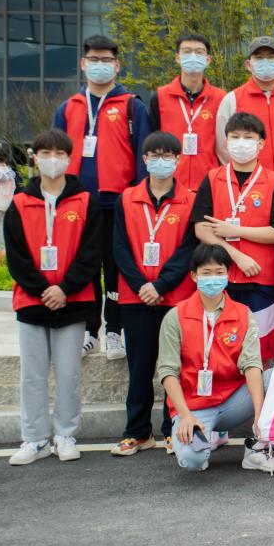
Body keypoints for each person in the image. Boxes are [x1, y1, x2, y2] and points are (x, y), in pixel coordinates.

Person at [4, 130, 101, 465]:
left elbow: (91, 253)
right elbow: (16, 256)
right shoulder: (20, 202)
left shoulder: (85, 201)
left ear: (69, 158)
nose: (53, 159)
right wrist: (42, 290)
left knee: (69, 373)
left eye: (60, 154)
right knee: (32, 375)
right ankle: (34, 439)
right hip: (32, 302)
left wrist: (64, 288)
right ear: (35, 157)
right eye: (46, 153)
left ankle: (65, 434)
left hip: (73, 301)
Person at [53, 34, 152, 359]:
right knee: (84, 266)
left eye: (106, 60)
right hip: (78, 202)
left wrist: (137, 199)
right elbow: (55, 152)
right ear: (83, 64)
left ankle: (114, 330)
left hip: (118, 202)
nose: (100, 65)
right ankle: (89, 329)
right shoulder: (69, 108)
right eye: (94, 60)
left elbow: (143, 157)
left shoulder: (131, 105)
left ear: (117, 65)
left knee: (116, 267)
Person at [155, 243, 274, 474]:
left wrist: (260, 415)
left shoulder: (242, 314)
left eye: (219, 272)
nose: (213, 278)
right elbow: (168, 371)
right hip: (194, 408)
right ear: (194, 276)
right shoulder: (175, 316)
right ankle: (201, 439)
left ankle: (256, 450)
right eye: (206, 273)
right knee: (193, 461)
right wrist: (184, 416)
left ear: (228, 274)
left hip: (233, 401)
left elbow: (251, 365)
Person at [111, 131, 199, 457]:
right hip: (135, 298)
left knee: (174, 367)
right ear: (145, 159)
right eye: (155, 155)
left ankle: (171, 429)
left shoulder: (190, 200)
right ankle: (137, 432)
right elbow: (120, 248)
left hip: (176, 298)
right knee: (140, 367)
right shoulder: (127, 199)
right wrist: (142, 286)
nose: (161, 161)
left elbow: (189, 249)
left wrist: (161, 285)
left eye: (168, 156)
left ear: (178, 160)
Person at [192, 112, 274, 340]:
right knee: (221, 344)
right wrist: (236, 255)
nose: (241, 142)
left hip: (260, 278)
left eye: (248, 137)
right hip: (219, 277)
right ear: (226, 141)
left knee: (260, 345)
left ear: (261, 143)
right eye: (235, 137)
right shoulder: (213, 178)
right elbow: (201, 228)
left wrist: (235, 231)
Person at [216, 36, 274, 193]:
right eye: (259, 58)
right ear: (248, 64)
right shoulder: (232, 100)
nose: (265, 62)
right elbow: (223, 146)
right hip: (248, 188)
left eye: (271, 57)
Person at [149, 34, 227, 192]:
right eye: (187, 51)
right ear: (177, 58)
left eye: (199, 52)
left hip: (209, 184)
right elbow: (151, 142)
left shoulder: (221, 98)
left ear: (208, 59)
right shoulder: (160, 96)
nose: (193, 56)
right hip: (170, 183)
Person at [0, 148, 17, 249]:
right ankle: (0, 250)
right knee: (1, 228)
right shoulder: (10, 172)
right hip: (7, 203)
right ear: (6, 158)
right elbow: (13, 187)